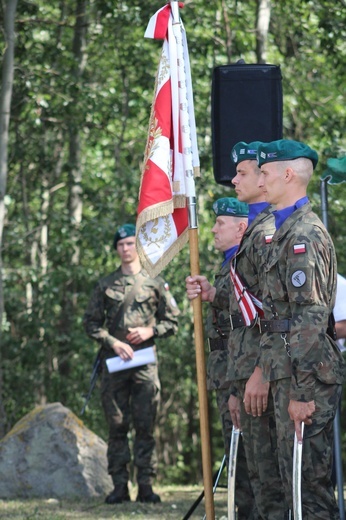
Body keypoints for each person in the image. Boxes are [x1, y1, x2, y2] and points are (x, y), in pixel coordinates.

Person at [255, 139, 345, 518]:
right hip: (286, 371)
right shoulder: (285, 231)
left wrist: (303, 392)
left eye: (264, 172)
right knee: (293, 483)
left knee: (308, 489)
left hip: (303, 377)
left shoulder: (303, 236)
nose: (260, 182)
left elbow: (309, 317)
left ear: (287, 174)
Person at [83, 223, 179, 504]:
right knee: (117, 426)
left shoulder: (155, 282)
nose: (126, 249)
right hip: (114, 364)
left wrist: (151, 331)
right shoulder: (105, 284)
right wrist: (113, 342)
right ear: (116, 249)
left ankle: (146, 486)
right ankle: (119, 486)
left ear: (137, 247)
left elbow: (172, 321)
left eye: (130, 243)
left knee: (145, 424)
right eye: (121, 244)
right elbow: (90, 324)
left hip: (145, 364)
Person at [185, 197, 257, 520]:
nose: (213, 229)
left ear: (241, 227)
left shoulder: (246, 264)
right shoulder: (226, 267)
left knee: (248, 464)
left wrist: (234, 388)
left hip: (240, 378)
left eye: (220, 223)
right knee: (237, 458)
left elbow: (247, 328)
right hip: (227, 376)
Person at [226, 142, 287, 519]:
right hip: (250, 369)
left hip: (265, 372)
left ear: (264, 184)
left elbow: (274, 311)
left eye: (244, 173)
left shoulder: (267, 234)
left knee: (273, 482)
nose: (234, 179)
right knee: (261, 479)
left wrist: (261, 371)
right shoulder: (255, 232)